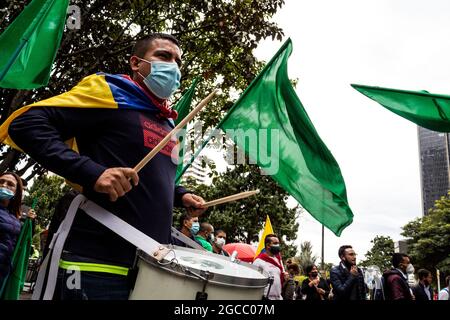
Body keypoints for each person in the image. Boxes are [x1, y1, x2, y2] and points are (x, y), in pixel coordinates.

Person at [7, 33, 206, 300]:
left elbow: (145, 178)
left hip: (148, 266)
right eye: (163, 56)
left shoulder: (169, 124)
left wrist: (180, 195)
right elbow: (26, 125)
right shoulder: (109, 92)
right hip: (94, 262)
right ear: (136, 63)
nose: (174, 67)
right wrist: (93, 172)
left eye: (178, 61)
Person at [0, 172, 36, 289]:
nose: (3, 185)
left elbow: (20, 241)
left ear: (17, 192)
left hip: (4, 272)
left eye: (10, 184)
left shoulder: (14, 215)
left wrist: (29, 222)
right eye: (1, 182)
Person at [253, 234, 288, 300]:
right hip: (265, 298)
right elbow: (254, 281)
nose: (278, 245)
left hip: (278, 297)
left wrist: (284, 277)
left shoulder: (277, 260)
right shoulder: (258, 261)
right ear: (268, 245)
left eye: (278, 243)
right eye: (275, 243)